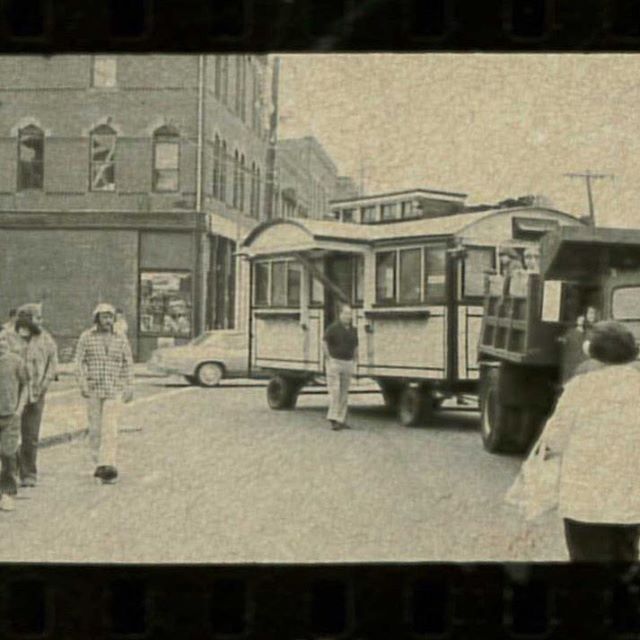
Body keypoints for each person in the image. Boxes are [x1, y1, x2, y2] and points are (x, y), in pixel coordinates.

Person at [543, 321, 640, 561]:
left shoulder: (579, 388)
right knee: (625, 557)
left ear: (590, 350)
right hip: (631, 502)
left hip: (584, 501)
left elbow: (554, 438)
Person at [75, 303, 134, 484]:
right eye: (104, 317)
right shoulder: (87, 337)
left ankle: (108, 464)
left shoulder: (120, 338)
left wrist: (128, 385)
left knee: (110, 428)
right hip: (94, 388)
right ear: (97, 319)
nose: (107, 321)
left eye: (110, 317)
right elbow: (78, 362)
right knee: (95, 429)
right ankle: (97, 463)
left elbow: (128, 363)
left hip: (113, 389)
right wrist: (83, 383)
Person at [9, 303, 58, 488]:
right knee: (10, 434)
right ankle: (10, 472)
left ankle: (28, 473)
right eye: (37, 319)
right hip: (13, 394)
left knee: (30, 435)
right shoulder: (7, 337)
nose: (41, 322)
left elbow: (52, 363)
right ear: (26, 319)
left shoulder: (45, 339)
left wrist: (43, 385)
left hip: (36, 393)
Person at [0, 331, 28, 511]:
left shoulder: (16, 362)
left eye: (3, 341)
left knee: (8, 453)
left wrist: (19, 409)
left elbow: (25, 385)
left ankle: (8, 492)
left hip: (10, 415)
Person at [323, 304, 358, 431]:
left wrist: (355, 360)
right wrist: (329, 359)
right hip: (335, 362)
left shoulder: (354, 330)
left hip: (348, 362)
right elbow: (324, 342)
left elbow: (355, 346)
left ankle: (341, 419)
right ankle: (333, 418)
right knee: (335, 391)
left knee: (344, 392)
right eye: (346, 314)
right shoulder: (333, 328)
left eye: (350, 314)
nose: (348, 317)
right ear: (340, 315)